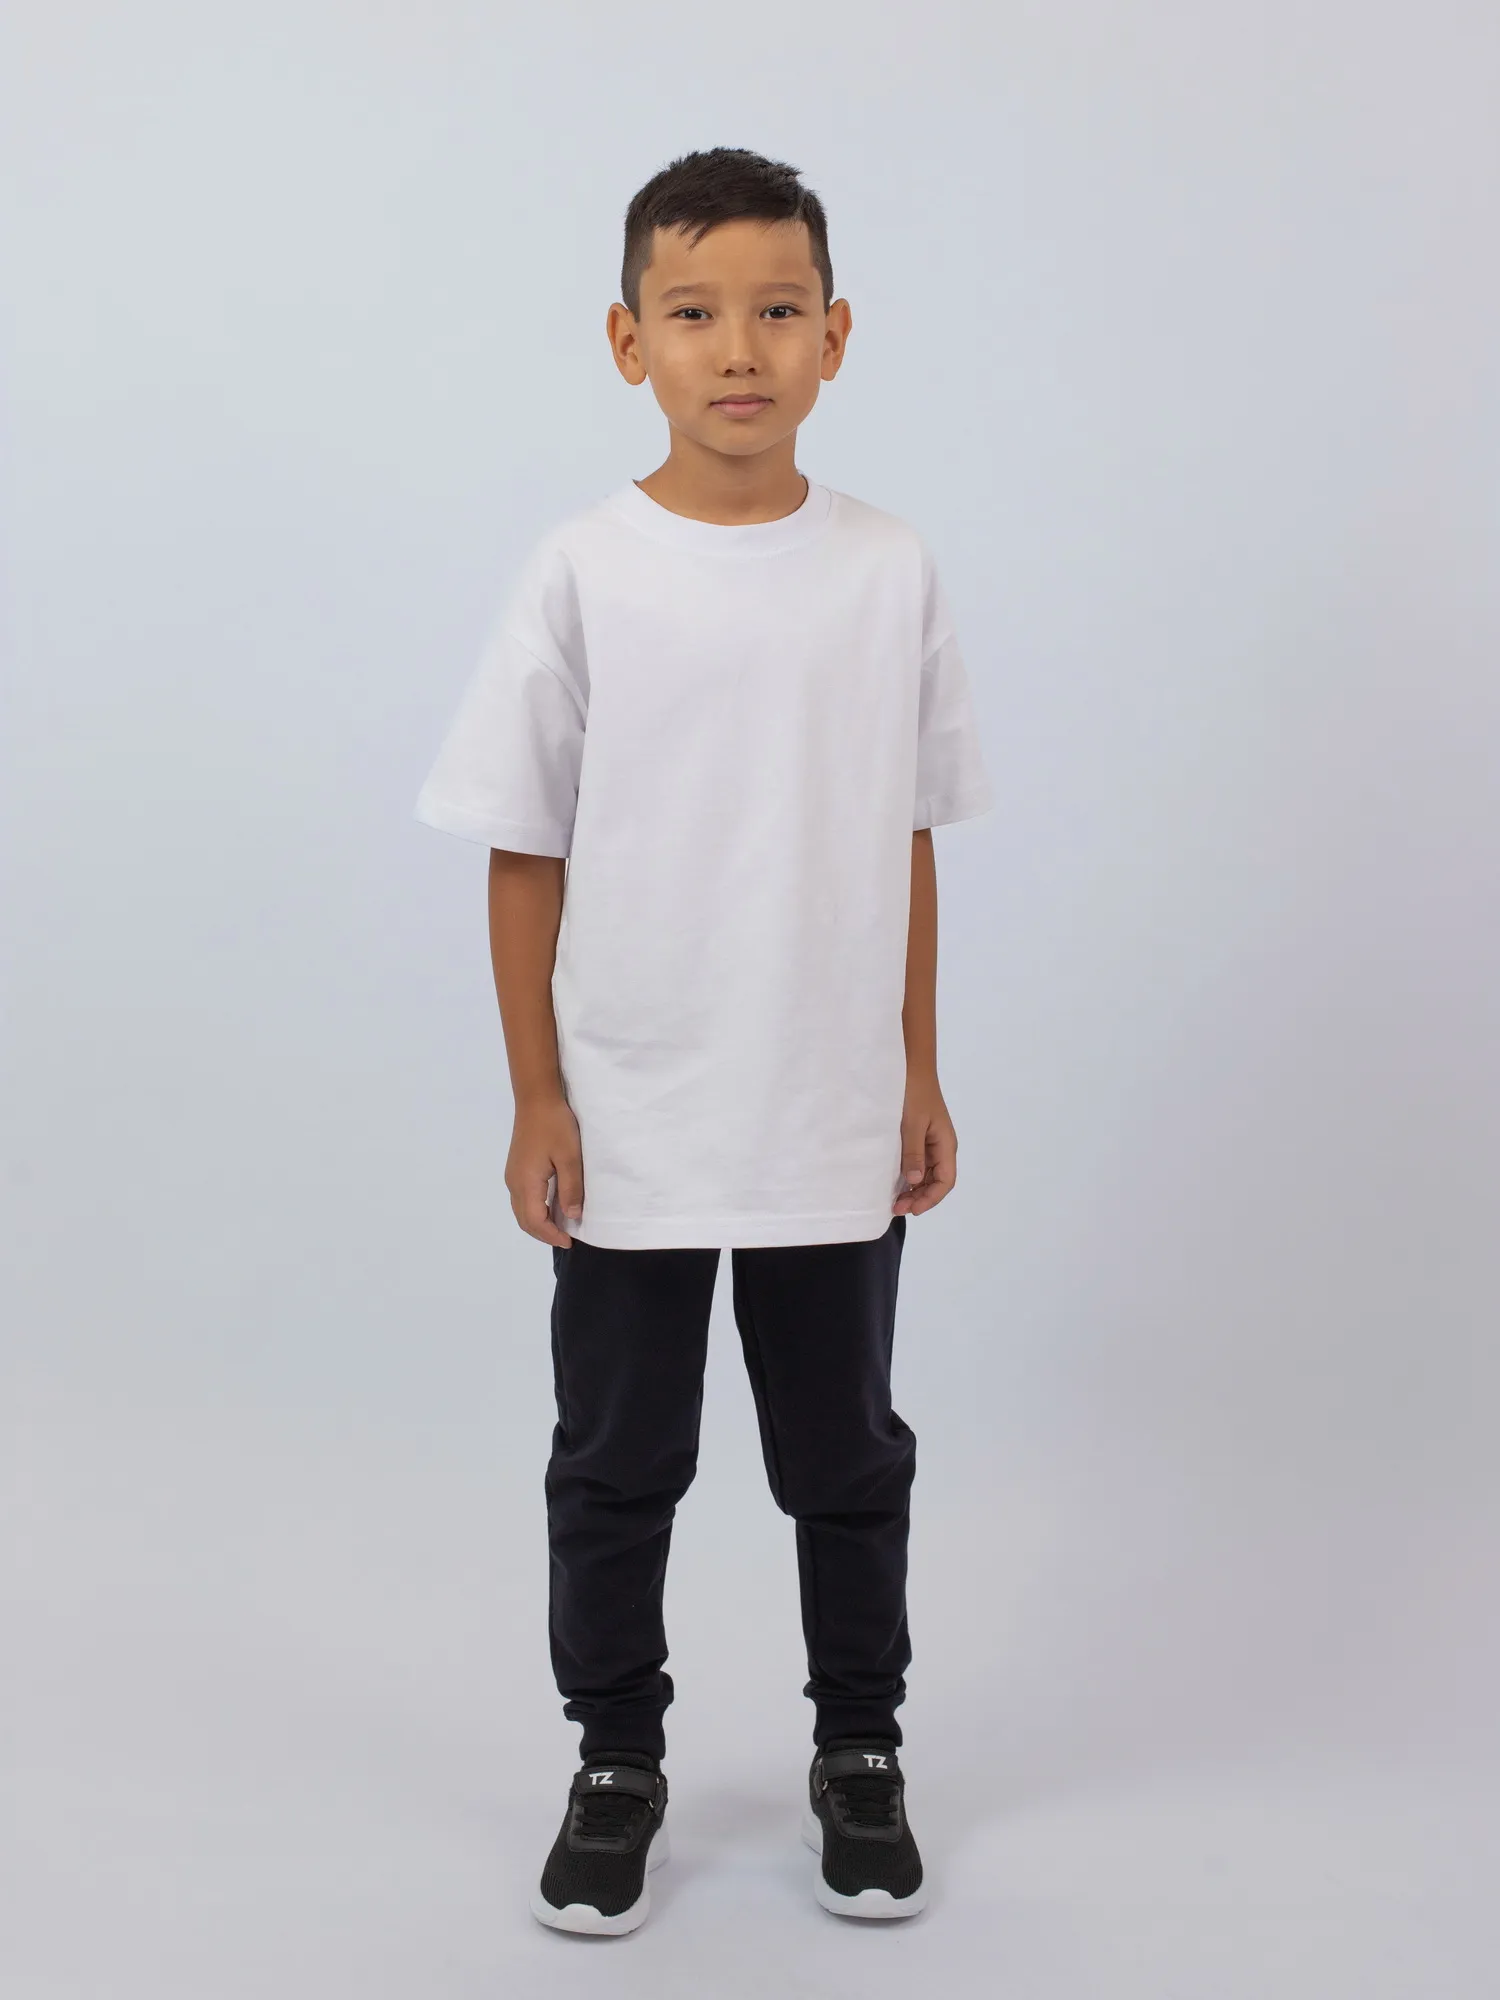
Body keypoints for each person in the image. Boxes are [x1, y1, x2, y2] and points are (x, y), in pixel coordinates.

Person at [413, 145, 994, 1934]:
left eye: (776, 310)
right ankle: (615, 1761)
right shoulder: (585, 571)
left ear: (836, 334)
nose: (738, 348)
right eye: (693, 312)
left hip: (827, 1108)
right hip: (635, 1113)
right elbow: (525, 846)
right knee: (616, 1463)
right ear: (628, 341)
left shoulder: (887, 570)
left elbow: (904, 834)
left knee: (848, 1460)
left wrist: (917, 1065)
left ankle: (860, 1749)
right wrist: (537, 1092)